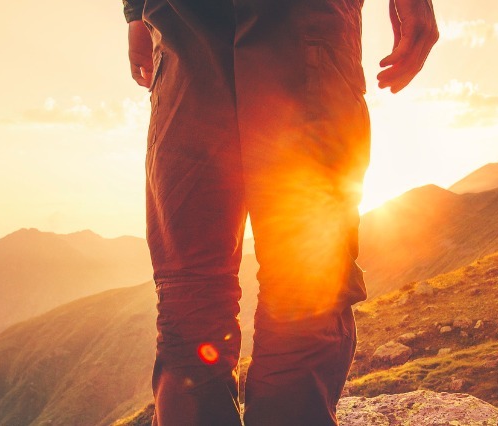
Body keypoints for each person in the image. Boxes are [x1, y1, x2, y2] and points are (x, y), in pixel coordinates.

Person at [123, 0, 436, 424]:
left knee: (297, 282)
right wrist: (134, 12)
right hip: (207, 17)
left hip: (245, 15)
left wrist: (134, 13)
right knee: (230, 289)